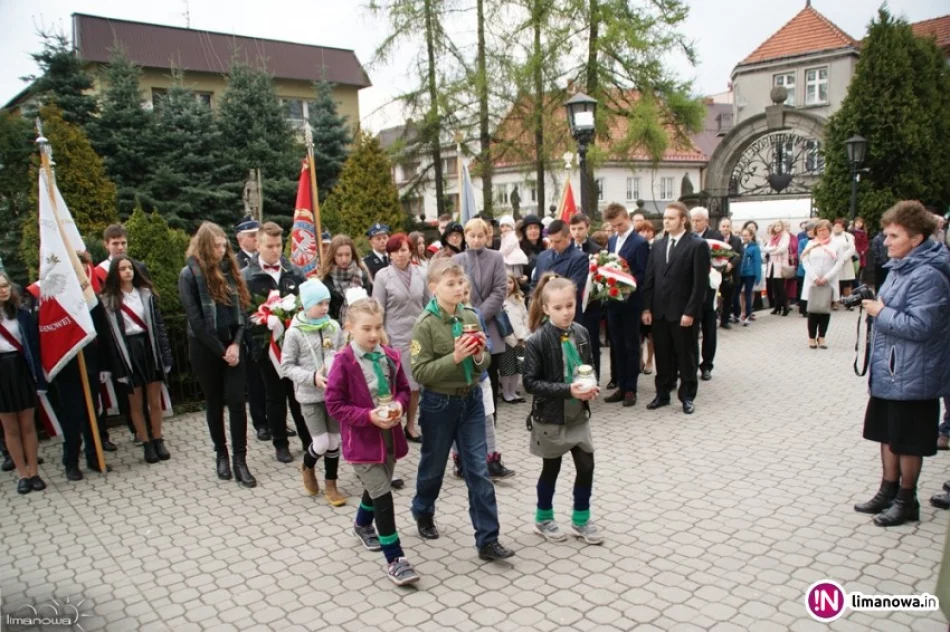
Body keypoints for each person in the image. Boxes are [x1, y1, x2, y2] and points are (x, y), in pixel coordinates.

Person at [409, 258, 515, 561]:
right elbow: (421, 373)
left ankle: (487, 540)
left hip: (470, 401)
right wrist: (454, 357)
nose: (459, 288)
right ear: (433, 289)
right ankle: (423, 510)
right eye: (451, 284)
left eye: (460, 283)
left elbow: (484, 364)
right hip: (438, 404)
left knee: (478, 471)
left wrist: (480, 354)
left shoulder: (471, 315)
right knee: (433, 466)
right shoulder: (425, 325)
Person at [854, 201, 950, 527]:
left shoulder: (928, 276)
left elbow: (922, 327)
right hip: (893, 369)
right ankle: (887, 490)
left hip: (915, 372)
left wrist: (880, 313)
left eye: (894, 235)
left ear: (916, 238)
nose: (886, 241)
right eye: (885, 234)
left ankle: (908, 500)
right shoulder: (900, 267)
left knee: (908, 439)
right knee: (888, 432)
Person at [324, 298, 419, 586]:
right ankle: (396, 559)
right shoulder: (344, 361)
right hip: (362, 442)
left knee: (376, 487)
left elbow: (403, 389)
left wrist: (400, 408)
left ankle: (362, 524)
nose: (374, 334)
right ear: (350, 328)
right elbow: (334, 404)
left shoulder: (389, 355)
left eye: (378, 327)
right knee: (383, 495)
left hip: (389, 437)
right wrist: (368, 416)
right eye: (366, 328)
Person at [522, 273, 603, 545]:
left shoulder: (581, 332)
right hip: (551, 417)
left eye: (569, 305)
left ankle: (581, 520)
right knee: (551, 469)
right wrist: (568, 390)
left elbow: (589, 364)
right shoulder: (536, 341)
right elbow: (530, 383)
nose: (566, 312)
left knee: (586, 465)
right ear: (545, 309)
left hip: (577, 414)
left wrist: (591, 386)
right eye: (558, 307)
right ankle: (543, 519)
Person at [178, 222, 256, 488]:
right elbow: (196, 321)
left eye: (224, 245)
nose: (222, 251)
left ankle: (240, 460)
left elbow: (242, 313)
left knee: (236, 401)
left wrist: (234, 345)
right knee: (214, 402)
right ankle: (221, 454)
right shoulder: (189, 274)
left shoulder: (230, 271)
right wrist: (222, 351)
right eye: (217, 246)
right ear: (204, 246)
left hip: (231, 345)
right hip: (205, 348)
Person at [242, 222, 308, 464]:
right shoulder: (247, 276)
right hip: (266, 348)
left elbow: (305, 305)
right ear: (257, 245)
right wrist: (263, 321)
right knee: (275, 396)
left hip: (295, 346)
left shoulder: (294, 272)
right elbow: (245, 313)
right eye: (269, 246)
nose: (274, 250)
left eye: (279, 245)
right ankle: (280, 442)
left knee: (299, 394)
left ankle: (308, 439)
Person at [280, 279, 347, 506]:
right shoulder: (294, 333)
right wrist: (312, 378)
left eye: (327, 303)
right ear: (306, 305)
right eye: (319, 303)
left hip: (333, 395)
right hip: (309, 396)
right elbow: (286, 366)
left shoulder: (333, 327)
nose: (325, 308)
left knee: (335, 441)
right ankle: (308, 466)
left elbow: (341, 354)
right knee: (320, 443)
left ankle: (331, 483)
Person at [101, 256, 173, 463]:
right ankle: (146, 443)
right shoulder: (108, 300)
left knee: (154, 401)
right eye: (122, 268)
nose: (127, 272)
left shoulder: (146, 294)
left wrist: (165, 356)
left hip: (149, 347)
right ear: (115, 273)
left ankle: (158, 439)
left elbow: (159, 327)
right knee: (135, 402)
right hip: (128, 351)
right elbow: (109, 339)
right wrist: (117, 369)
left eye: (130, 268)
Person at [641, 202, 709, 415]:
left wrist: (690, 312)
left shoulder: (697, 246)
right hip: (660, 312)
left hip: (683, 314)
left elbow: (700, 284)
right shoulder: (658, 245)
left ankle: (687, 396)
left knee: (685, 356)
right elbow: (649, 279)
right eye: (665, 218)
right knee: (662, 355)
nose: (666, 221)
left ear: (683, 220)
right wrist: (646, 309)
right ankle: (662, 394)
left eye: (671, 218)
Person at [450, 276, 515, 481]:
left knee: (487, 420)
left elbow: (487, 342)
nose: (462, 297)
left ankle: (491, 460)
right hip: (457, 381)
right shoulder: (444, 319)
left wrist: (481, 347)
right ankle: (460, 460)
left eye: (466, 293)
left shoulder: (475, 314)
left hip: (480, 378)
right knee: (458, 422)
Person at [372, 233, 427, 443]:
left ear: (410, 250)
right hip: (394, 338)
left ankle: (411, 426)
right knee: (398, 385)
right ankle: (392, 425)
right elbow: (378, 309)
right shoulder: (383, 276)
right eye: (395, 251)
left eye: (403, 250)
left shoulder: (421, 273)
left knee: (415, 385)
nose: (400, 255)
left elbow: (428, 303)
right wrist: (380, 338)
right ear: (390, 255)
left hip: (419, 336)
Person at [454, 218, 508, 412]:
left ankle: (490, 420)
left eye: (480, 236)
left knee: (490, 377)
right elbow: (454, 290)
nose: (476, 240)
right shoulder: (457, 260)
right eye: (472, 235)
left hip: (490, 325)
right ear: (465, 236)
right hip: (461, 326)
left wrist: (478, 316)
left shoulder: (496, 258)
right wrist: (467, 316)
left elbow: (500, 290)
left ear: (487, 236)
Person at [0, 272, 46, 494]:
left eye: (5, 285)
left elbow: (34, 348)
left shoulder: (22, 314)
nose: (4, 290)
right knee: (10, 428)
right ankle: (22, 475)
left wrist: (39, 377)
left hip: (21, 369)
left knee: (27, 425)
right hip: (1, 373)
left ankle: (35, 472)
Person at [603, 204, 650, 407]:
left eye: (620, 224)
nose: (617, 228)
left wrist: (624, 282)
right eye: (614, 226)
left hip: (631, 302)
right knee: (617, 345)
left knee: (631, 345)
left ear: (627, 218)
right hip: (613, 302)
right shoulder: (612, 240)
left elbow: (642, 273)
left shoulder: (639, 243)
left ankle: (631, 388)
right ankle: (621, 385)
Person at [800, 220, 847, 350]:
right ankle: (811, 337)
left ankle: (822, 336)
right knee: (813, 310)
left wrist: (827, 277)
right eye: (819, 230)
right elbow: (805, 260)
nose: (822, 233)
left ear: (829, 230)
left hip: (829, 281)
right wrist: (814, 277)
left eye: (824, 230)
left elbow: (839, 262)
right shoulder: (811, 244)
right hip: (812, 281)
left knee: (825, 310)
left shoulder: (836, 244)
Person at [531, 219, 589, 316]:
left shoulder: (579, 258)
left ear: (569, 236)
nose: (553, 245)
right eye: (551, 241)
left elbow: (574, 288)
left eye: (557, 241)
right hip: (542, 311)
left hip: (565, 314)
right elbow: (535, 283)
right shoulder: (543, 256)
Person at [571, 213, 604, 379]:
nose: (577, 232)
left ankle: (593, 377)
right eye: (573, 229)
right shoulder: (566, 249)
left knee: (591, 344)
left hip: (591, 306)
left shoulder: (597, 250)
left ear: (588, 228)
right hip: (571, 306)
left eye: (580, 228)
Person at [690, 207, 721, 381]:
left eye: (698, 220)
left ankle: (707, 364)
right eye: (693, 220)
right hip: (692, 290)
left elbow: (726, 257)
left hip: (709, 289)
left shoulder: (715, 237)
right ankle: (691, 363)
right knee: (692, 330)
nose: (695, 223)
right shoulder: (688, 237)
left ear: (706, 221)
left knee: (709, 329)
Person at [321, 235, 373, 324]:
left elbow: (369, 304)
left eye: (347, 254)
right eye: (339, 255)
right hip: (335, 328)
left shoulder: (362, 275)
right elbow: (325, 312)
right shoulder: (326, 279)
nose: (344, 259)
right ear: (333, 255)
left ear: (352, 254)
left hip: (361, 326)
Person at [500, 272, 528, 404]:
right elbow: (502, 324)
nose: (508, 285)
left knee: (518, 368)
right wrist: (512, 340)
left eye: (510, 282)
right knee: (507, 369)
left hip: (520, 340)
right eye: (505, 282)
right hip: (507, 341)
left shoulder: (519, 299)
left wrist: (524, 335)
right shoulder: (500, 302)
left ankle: (513, 391)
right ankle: (506, 393)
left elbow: (525, 317)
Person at [716, 218, 743, 330]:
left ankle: (725, 321)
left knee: (728, 298)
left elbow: (739, 255)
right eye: (723, 226)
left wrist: (730, 265)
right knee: (715, 298)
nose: (725, 228)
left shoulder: (736, 240)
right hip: (716, 272)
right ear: (719, 227)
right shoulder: (715, 239)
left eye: (728, 226)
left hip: (730, 273)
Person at [763, 222, 791, 316]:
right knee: (774, 286)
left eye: (778, 225)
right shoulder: (772, 237)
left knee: (780, 286)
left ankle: (785, 306)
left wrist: (773, 250)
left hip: (780, 264)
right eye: (775, 226)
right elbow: (765, 248)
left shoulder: (785, 235)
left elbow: (783, 248)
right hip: (772, 264)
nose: (777, 227)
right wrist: (774, 248)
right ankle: (777, 306)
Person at [738, 228, 761, 326]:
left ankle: (747, 315)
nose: (744, 237)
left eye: (746, 235)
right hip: (741, 274)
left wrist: (758, 275)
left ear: (751, 236)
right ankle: (738, 313)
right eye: (743, 235)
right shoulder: (741, 246)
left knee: (748, 295)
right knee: (737, 293)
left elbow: (757, 262)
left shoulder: (755, 248)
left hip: (750, 274)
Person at [831, 219, 857, 308]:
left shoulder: (848, 236)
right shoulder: (830, 236)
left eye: (839, 226)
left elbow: (852, 249)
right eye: (835, 226)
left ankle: (849, 302)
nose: (836, 228)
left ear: (843, 228)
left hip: (846, 263)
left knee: (847, 283)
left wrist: (843, 258)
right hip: (833, 262)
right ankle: (835, 302)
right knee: (835, 283)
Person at [519, 214, 546, 291]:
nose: (533, 231)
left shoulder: (546, 247)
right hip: (526, 291)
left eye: (536, 228)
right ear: (525, 232)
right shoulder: (518, 249)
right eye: (530, 228)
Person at [797, 223, 815, 316]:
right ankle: (803, 310)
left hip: (815, 270)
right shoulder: (802, 242)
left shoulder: (818, 241)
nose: (810, 233)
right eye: (808, 231)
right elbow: (800, 253)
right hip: (803, 269)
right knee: (803, 289)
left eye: (812, 231)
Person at [851, 217, 870, 283]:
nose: (859, 224)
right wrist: (859, 251)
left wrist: (864, 251)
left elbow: (866, 243)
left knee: (860, 273)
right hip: (856, 255)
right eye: (857, 222)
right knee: (855, 273)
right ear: (854, 223)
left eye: (860, 222)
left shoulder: (864, 233)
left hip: (863, 255)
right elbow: (854, 243)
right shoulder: (852, 232)